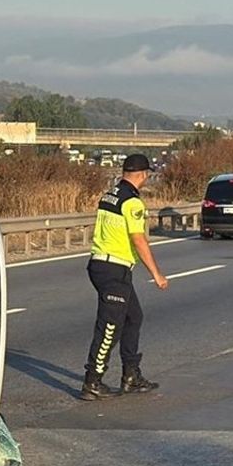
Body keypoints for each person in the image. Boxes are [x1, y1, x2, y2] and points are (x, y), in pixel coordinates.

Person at [80, 153, 169, 400]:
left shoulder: (110, 195)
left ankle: (131, 375)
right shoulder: (132, 202)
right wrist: (157, 274)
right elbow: (138, 239)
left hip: (102, 264)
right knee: (109, 327)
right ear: (143, 175)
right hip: (113, 268)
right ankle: (92, 381)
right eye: (147, 175)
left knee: (133, 318)